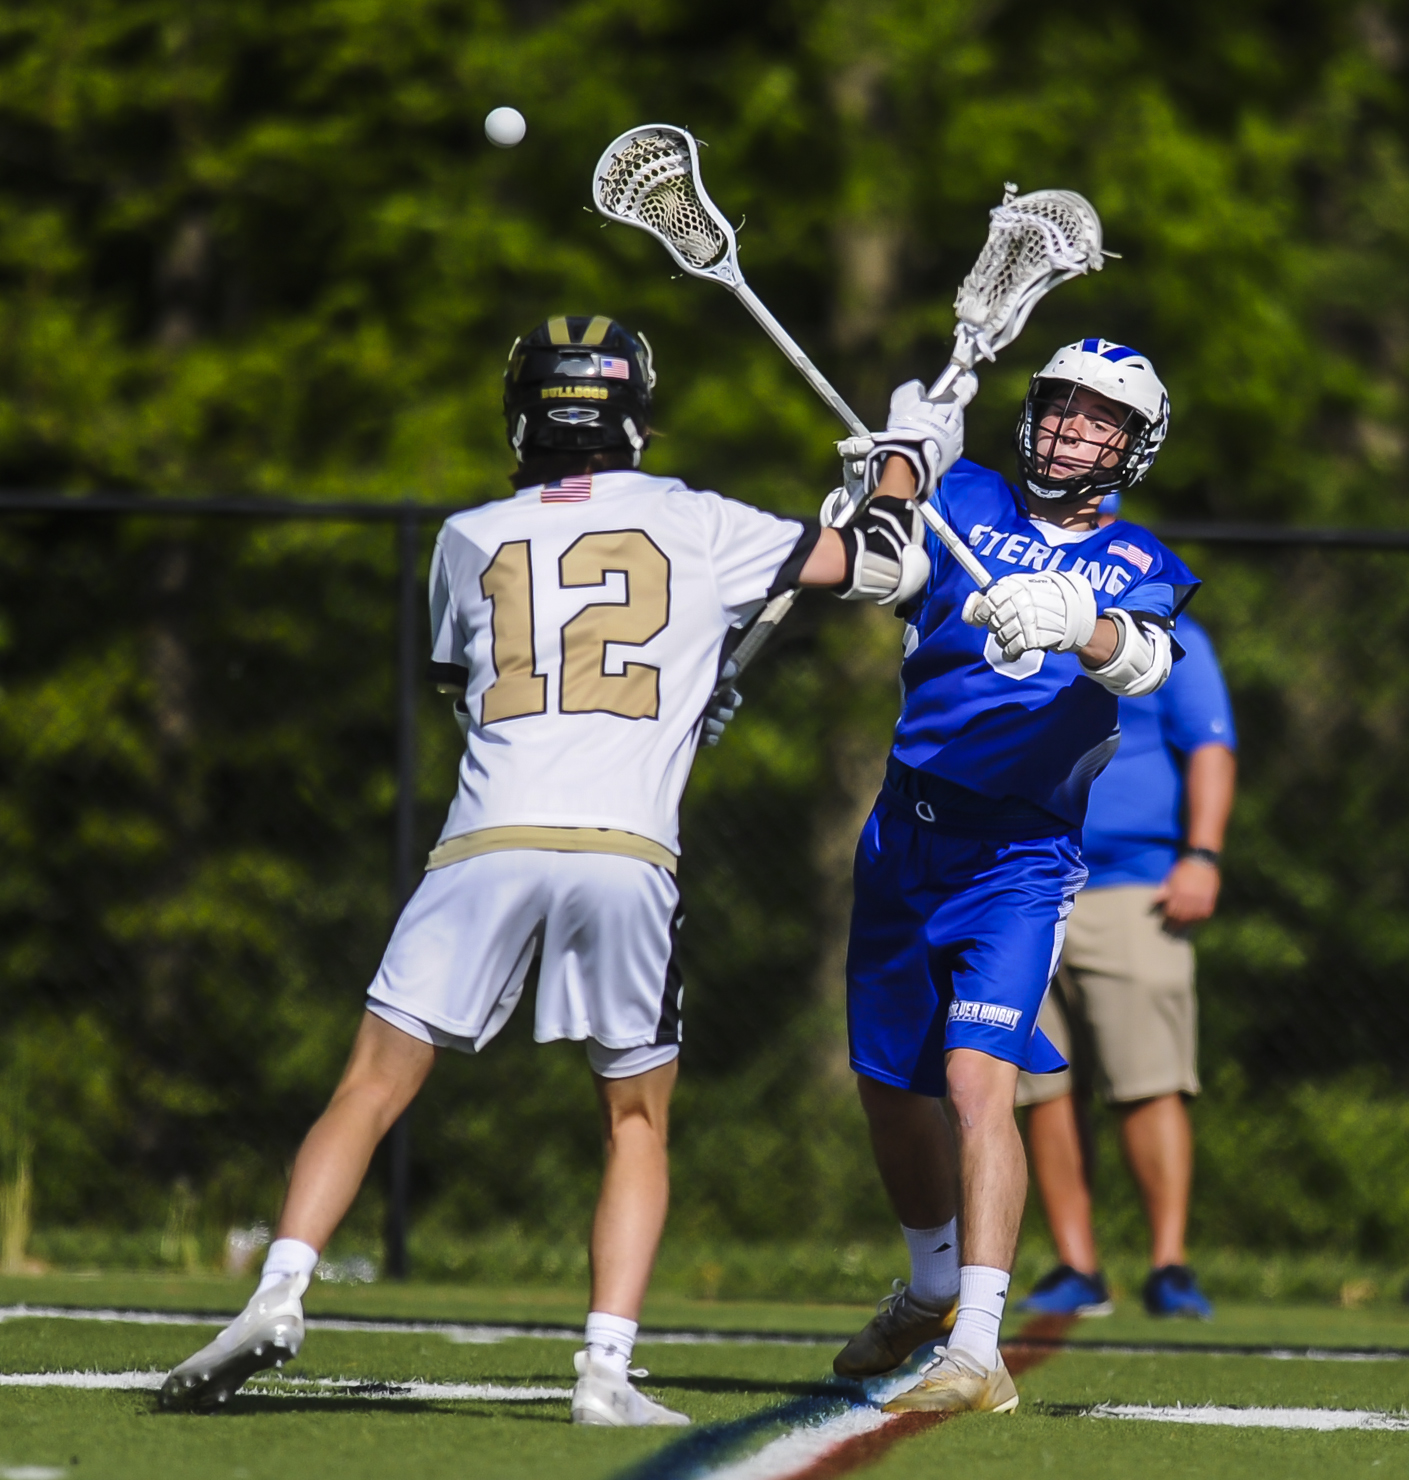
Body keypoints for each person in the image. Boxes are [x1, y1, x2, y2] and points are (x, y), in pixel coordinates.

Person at [158, 314, 967, 1421]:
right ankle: (601, 1370)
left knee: (371, 1083)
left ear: (521, 411)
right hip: (627, 850)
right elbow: (881, 565)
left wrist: (691, 682)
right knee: (632, 1119)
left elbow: (486, 687)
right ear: (634, 411)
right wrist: (901, 463)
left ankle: (279, 1287)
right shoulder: (695, 517)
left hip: (485, 839)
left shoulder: (463, 535)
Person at [831, 339, 1197, 1414]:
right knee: (888, 1085)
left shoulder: (1138, 558)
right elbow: (879, 570)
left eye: (1099, 421)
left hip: (1017, 859)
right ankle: (932, 1286)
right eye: (1059, 409)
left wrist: (1074, 621)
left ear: (1131, 446)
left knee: (977, 1081)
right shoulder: (967, 497)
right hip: (903, 834)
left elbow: (1146, 657)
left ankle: (975, 1348)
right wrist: (894, 472)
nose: (1070, 431)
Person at [1012, 581, 1235, 1320]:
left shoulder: (1172, 632)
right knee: (1038, 1086)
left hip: (1131, 884)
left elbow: (1209, 746)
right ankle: (1077, 1266)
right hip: (1022, 881)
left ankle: (1168, 1264)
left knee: (1148, 1080)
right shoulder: (1010, 612)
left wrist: (1201, 854)